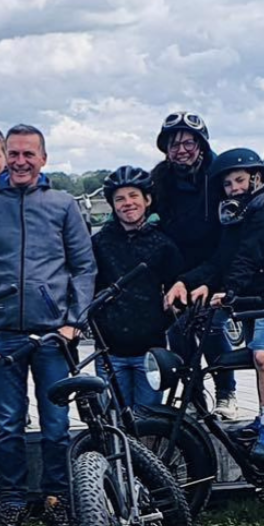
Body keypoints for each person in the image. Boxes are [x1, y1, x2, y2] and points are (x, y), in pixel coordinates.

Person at [0, 125, 96, 526]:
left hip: (54, 335)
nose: (20, 161)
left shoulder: (62, 205)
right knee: (9, 424)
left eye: (28, 154)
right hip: (2, 336)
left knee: (55, 425)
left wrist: (74, 321)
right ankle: (13, 500)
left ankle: (57, 496)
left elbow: (84, 267)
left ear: (43, 159)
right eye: (13, 154)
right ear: (3, 157)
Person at [166, 149, 264, 460]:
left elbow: (251, 255)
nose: (234, 188)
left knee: (263, 355)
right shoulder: (235, 214)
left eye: (239, 180)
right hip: (244, 298)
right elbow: (221, 259)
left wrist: (230, 290)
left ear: (256, 178)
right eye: (228, 184)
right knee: (191, 328)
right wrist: (186, 281)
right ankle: (199, 403)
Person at [151, 111, 237, 417]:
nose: (182, 150)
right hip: (180, 268)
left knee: (212, 326)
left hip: (216, 262)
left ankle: (227, 391)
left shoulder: (217, 175)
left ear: (201, 144)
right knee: (178, 332)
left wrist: (215, 278)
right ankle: (194, 397)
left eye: (189, 142)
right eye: (174, 144)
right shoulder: (160, 179)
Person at [90, 166, 182, 408]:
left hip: (150, 348)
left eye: (133, 196)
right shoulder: (99, 243)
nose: (127, 203)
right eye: (119, 199)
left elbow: (175, 284)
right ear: (112, 205)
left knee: (150, 417)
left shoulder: (163, 244)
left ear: (147, 199)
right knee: (118, 419)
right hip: (110, 349)